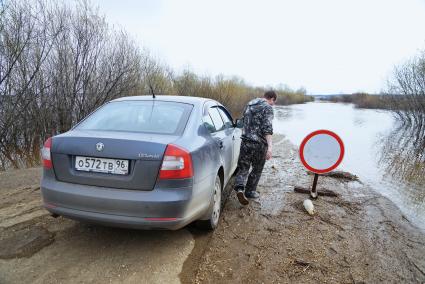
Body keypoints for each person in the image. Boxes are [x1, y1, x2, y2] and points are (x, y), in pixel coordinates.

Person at [234, 90, 277, 205]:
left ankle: (239, 188)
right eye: (273, 102)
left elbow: (243, 122)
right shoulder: (267, 107)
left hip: (245, 142)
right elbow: (267, 128)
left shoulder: (250, 104)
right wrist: (270, 147)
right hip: (259, 144)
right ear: (271, 98)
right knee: (257, 168)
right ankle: (250, 191)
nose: (273, 104)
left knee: (243, 167)